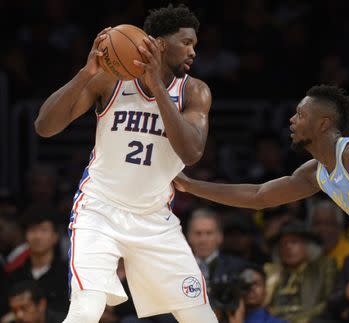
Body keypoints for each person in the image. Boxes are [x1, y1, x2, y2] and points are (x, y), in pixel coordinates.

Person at [174, 84, 349, 322]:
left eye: (301, 114)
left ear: (323, 123)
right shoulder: (316, 173)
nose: (292, 120)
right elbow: (259, 195)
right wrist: (191, 185)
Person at [34, 4, 217, 323]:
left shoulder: (194, 91)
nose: (193, 52)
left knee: (200, 316)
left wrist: (157, 85)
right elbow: (45, 127)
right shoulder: (109, 80)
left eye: (195, 45)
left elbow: (191, 153)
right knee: (85, 310)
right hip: (99, 211)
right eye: (186, 43)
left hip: (154, 217)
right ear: (160, 44)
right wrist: (86, 73)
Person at [263, 220, 336, 323]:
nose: (288, 247)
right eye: (283, 244)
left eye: (294, 242)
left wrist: (294, 319)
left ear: (308, 246)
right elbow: (263, 304)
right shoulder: (271, 270)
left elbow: (329, 302)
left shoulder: (324, 267)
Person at [309, 199, 349, 270]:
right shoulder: (306, 253)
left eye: (328, 223)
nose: (322, 229)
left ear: (339, 227)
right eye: (317, 223)